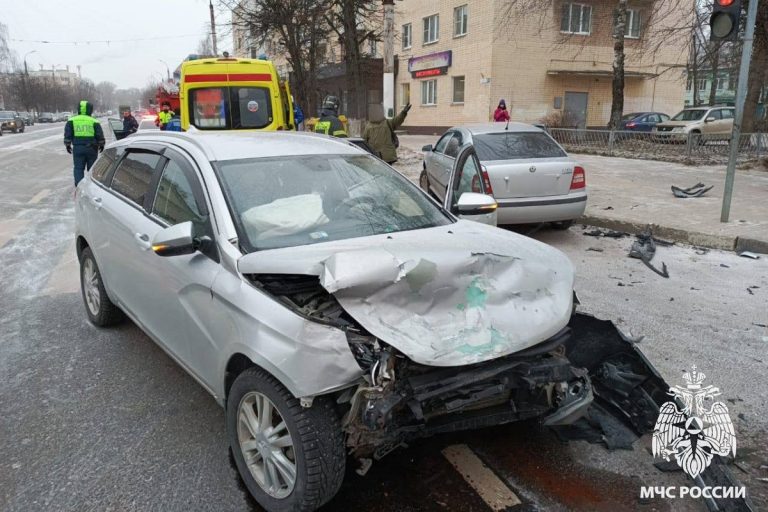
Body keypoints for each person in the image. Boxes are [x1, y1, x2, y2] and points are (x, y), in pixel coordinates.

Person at [64, 100, 105, 186]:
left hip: (78, 148)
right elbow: (99, 134)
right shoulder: (94, 121)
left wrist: (67, 144)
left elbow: (68, 134)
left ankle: (79, 186)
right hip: (92, 148)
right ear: (90, 110)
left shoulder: (72, 120)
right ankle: (92, 186)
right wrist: (101, 144)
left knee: (78, 168)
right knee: (92, 169)